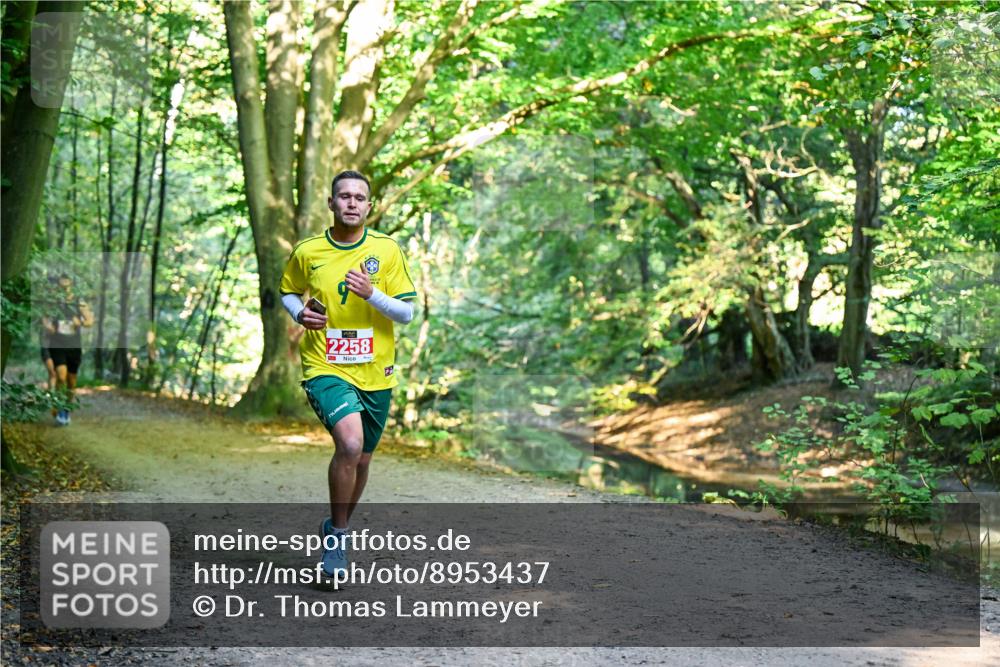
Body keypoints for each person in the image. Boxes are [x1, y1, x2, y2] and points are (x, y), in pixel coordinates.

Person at [279, 170, 417, 576]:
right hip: (325, 363)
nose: (352, 203)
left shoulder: (387, 250)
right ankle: (338, 539)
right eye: (344, 196)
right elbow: (288, 290)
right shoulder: (308, 251)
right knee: (351, 445)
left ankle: (337, 527)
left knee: (363, 459)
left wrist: (371, 294)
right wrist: (299, 313)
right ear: (331, 203)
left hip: (376, 370)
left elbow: (407, 313)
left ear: (369, 206)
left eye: (360, 197)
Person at [41, 273, 93, 426]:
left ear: (71, 283)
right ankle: (58, 408)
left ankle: (67, 409)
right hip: (57, 343)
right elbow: (44, 317)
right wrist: (48, 326)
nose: (63, 283)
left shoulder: (79, 302)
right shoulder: (54, 301)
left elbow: (90, 320)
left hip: (74, 346)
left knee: (71, 381)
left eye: (66, 280)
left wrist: (81, 323)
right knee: (61, 376)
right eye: (61, 281)